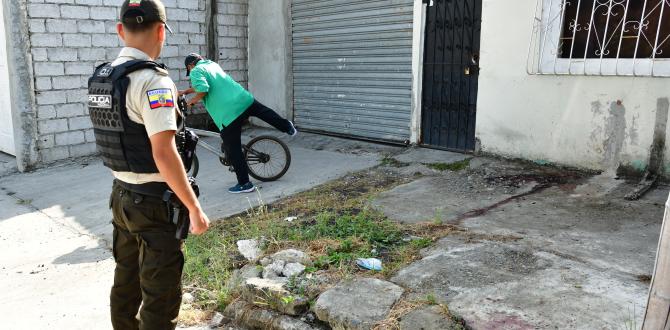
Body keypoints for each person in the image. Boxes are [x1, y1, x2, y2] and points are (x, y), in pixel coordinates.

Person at [87, 1, 210, 328]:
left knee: (126, 284)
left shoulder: (104, 77)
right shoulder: (153, 81)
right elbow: (164, 152)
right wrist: (194, 208)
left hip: (121, 198)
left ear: (120, 30)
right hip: (154, 204)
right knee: (160, 296)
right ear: (161, 31)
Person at [179, 53, 297, 194]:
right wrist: (187, 91)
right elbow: (208, 83)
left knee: (233, 149)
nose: (190, 72)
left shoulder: (196, 71)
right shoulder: (211, 65)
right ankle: (288, 127)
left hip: (230, 113)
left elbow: (203, 89)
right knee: (265, 113)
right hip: (243, 99)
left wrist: (189, 102)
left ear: (190, 65)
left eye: (189, 69)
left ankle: (245, 184)